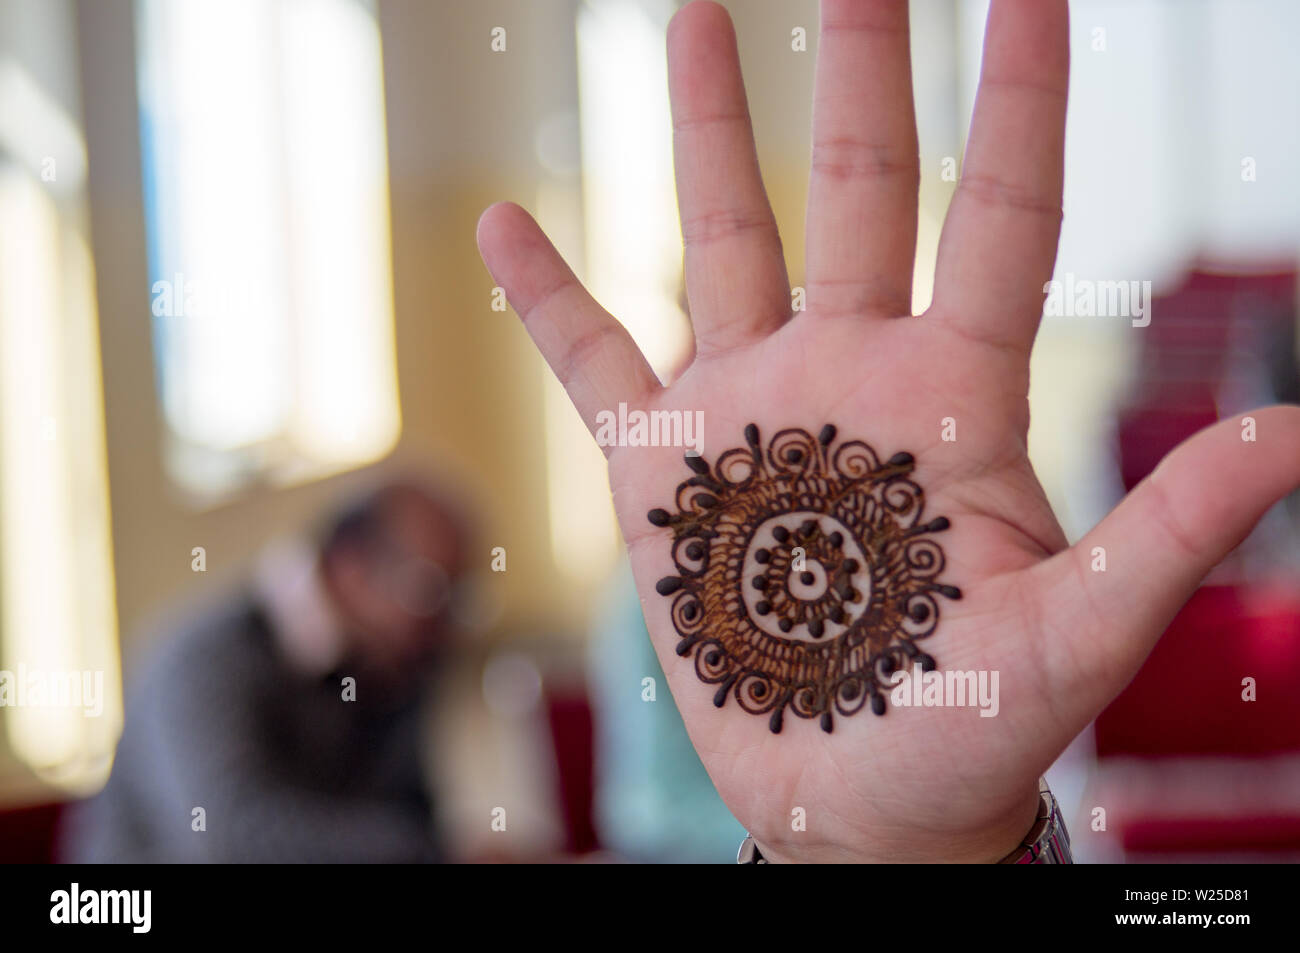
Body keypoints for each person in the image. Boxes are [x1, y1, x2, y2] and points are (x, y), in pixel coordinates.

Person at [475, 0, 1300, 862]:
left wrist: (919, 841)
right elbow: (644, 812)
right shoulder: (649, 594)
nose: (713, 377)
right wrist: (823, 841)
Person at [62, 479, 469, 863]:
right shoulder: (206, 660)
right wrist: (433, 852)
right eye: (429, 592)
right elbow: (230, 839)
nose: (444, 625)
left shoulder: (385, 666)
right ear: (352, 569)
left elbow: (404, 812)